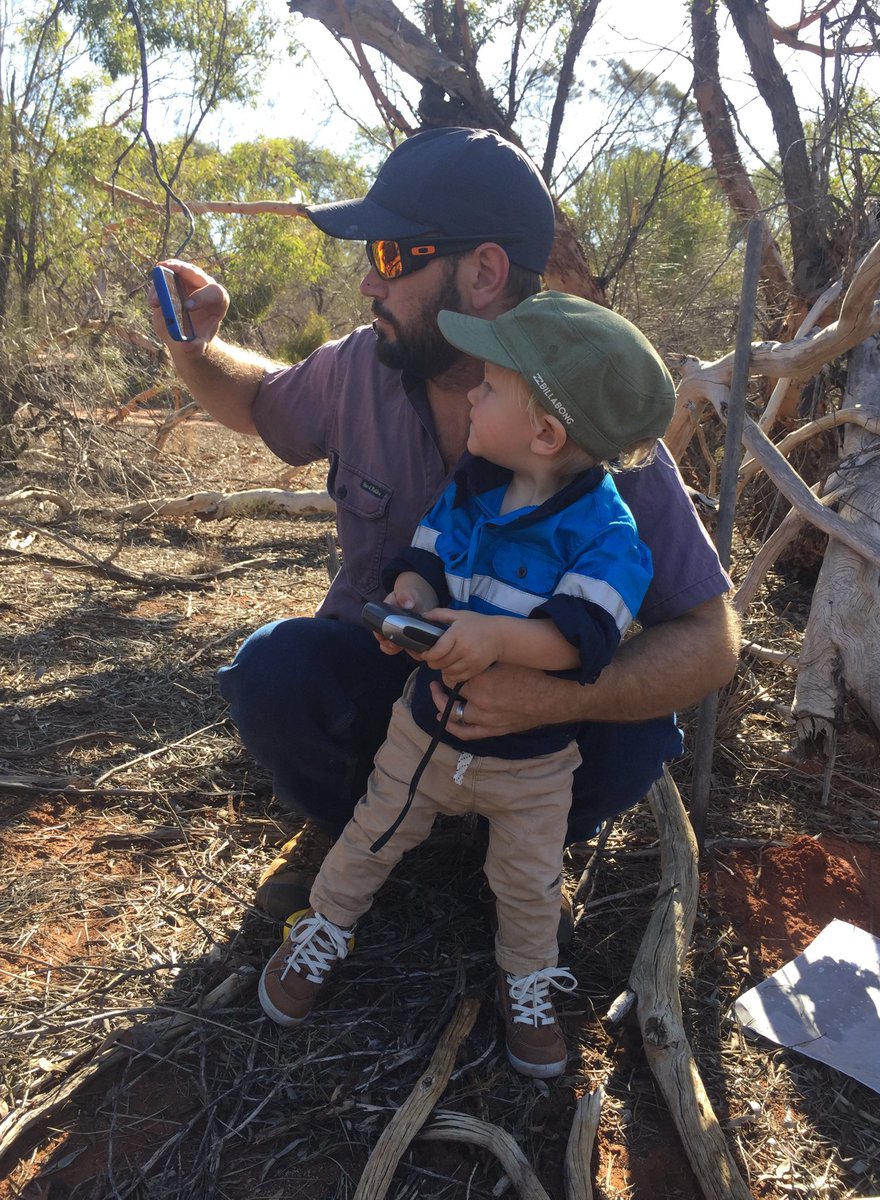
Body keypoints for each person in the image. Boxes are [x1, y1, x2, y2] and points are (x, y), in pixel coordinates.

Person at [149, 126, 737, 928]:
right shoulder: (365, 363)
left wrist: (548, 697)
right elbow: (259, 402)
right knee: (275, 673)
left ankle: (512, 855)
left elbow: (711, 639)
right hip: (399, 686)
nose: (367, 283)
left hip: (538, 725)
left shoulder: (592, 401)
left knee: (635, 738)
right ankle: (359, 824)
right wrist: (195, 344)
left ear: (484, 270)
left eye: (391, 256)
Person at [257, 291, 677, 1078]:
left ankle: (527, 983)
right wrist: (413, 597)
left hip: (533, 764)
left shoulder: (611, 536)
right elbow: (427, 554)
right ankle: (326, 928)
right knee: (374, 830)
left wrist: (492, 639)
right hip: (424, 730)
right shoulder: (474, 484)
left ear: (546, 433)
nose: (471, 395)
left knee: (527, 881)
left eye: (488, 386)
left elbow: (579, 639)